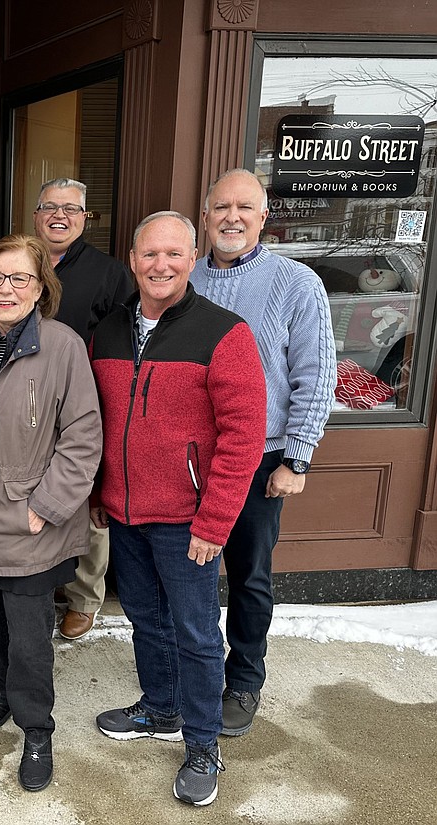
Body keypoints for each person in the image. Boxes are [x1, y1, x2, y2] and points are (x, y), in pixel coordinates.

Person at [90, 212, 266, 807]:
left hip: (189, 519)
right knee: (145, 617)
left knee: (194, 633)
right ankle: (159, 706)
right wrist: (97, 493)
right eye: (149, 254)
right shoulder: (107, 331)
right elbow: (96, 424)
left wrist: (215, 523)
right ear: (132, 259)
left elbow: (243, 437)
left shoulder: (225, 334)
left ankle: (201, 742)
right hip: (124, 511)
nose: (160, 265)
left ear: (193, 259)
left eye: (173, 254)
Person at [0, 234, 101, 792]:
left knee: (30, 634)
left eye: (20, 278)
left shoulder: (63, 346)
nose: (7, 289)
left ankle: (37, 727)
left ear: (41, 287)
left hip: (30, 517)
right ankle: (3, 690)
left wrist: (46, 507)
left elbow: (83, 437)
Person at [190, 168, 336, 737]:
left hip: (260, 459)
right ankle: (193, 672)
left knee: (248, 576)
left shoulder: (296, 283)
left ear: (263, 217)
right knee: (189, 576)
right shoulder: (184, 280)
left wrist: (296, 458)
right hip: (191, 462)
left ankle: (244, 679)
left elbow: (315, 375)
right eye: (221, 207)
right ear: (205, 217)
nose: (231, 218)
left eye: (244, 208)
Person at [32, 177, 134, 642]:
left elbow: (125, 338)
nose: (60, 216)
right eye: (51, 207)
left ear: (85, 218)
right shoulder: (20, 260)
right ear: (35, 215)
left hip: (84, 400)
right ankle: (42, 579)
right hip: (26, 400)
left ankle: (84, 596)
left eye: (72, 209)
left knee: (86, 494)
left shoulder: (109, 273)